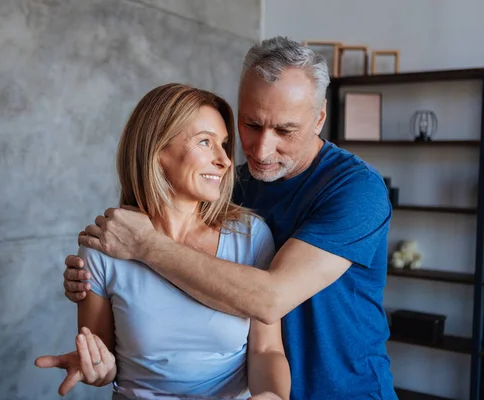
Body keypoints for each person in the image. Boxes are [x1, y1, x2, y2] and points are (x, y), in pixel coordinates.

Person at [63, 36, 397, 400]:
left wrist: (145, 246)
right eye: (251, 125)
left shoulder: (356, 190)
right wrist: (95, 280)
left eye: (284, 130)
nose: (260, 148)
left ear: (319, 118)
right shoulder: (226, 188)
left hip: (341, 391)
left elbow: (270, 299)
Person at [36, 83, 290, 400]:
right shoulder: (104, 246)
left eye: (223, 144)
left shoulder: (251, 236)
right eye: (205, 142)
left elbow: (267, 350)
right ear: (158, 152)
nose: (225, 160)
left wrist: (272, 396)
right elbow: (107, 365)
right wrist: (98, 370)